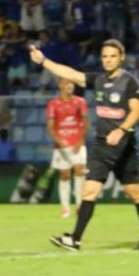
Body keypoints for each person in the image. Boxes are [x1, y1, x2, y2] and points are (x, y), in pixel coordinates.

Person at [28, 38, 139, 251]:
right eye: (105, 56)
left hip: (124, 146)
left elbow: (137, 111)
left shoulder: (130, 83)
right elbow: (69, 73)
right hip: (102, 146)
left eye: (113, 56)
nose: (108, 60)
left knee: (136, 194)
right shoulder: (98, 80)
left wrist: (121, 130)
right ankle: (75, 239)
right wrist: (43, 61)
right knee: (89, 192)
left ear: (121, 58)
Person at [46, 78, 90, 218]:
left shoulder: (80, 102)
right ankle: (65, 207)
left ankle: (79, 205)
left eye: (71, 83)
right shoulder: (53, 104)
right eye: (66, 83)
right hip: (61, 145)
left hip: (78, 143)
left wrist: (80, 141)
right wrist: (59, 141)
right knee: (64, 175)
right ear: (60, 86)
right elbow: (50, 127)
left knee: (79, 172)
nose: (70, 86)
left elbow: (86, 122)